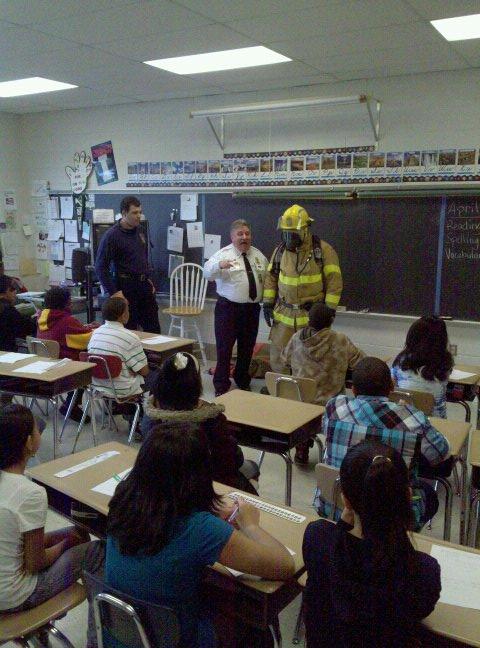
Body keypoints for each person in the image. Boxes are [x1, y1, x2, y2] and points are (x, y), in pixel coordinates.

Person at [105, 423, 295, 647]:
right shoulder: (200, 530)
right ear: (201, 475)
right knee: (256, 630)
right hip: (173, 639)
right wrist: (250, 525)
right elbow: (284, 565)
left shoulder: (124, 499)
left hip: (123, 633)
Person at [303, 440, 441, 648]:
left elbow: (339, 549)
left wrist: (342, 524)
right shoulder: (424, 571)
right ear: (406, 497)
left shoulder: (317, 537)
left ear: (345, 500)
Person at [0, 404, 104, 648]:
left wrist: (64, 538)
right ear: (28, 443)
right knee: (100, 551)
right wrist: (65, 543)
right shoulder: (30, 493)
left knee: (74, 534)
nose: (40, 433)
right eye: (38, 430)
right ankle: (97, 639)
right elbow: (34, 563)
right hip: (15, 597)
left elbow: (13, 538)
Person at [318, 356, 451, 530]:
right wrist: (405, 412)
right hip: (393, 516)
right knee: (429, 495)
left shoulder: (334, 407)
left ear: (353, 389)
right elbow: (440, 453)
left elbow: (326, 430)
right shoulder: (412, 418)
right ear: (391, 386)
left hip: (337, 504)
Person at [141, 351, 259, 493]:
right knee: (252, 467)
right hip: (206, 487)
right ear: (196, 384)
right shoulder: (212, 420)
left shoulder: (150, 417)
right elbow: (230, 460)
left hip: (165, 485)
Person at [263, 204, 343, 374]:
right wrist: (268, 303)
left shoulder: (323, 251)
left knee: (311, 360)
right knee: (279, 357)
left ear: (305, 230)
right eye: (285, 233)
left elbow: (334, 283)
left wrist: (327, 311)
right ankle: (279, 389)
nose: (288, 238)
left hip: (310, 317)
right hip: (283, 316)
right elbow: (271, 277)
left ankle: (306, 393)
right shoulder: (280, 251)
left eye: (293, 234)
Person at [204, 219, 268, 397]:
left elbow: (268, 279)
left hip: (252, 310)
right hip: (228, 309)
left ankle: (242, 379)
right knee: (224, 349)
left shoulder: (258, 255)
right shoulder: (223, 254)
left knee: (247, 348)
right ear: (232, 236)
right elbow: (206, 273)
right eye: (240, 234)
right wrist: (219, 266)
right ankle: (221, 384)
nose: (244, 237)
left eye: (247, 234)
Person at [94, 195, 160, 333]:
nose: (139, 216)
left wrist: (148, 278)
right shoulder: (111, 236)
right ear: (124, 213)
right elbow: (100, 267)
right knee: (130, 330)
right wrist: (114, 292)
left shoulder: (140, 230)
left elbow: (141, 257)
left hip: (144, 286)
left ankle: (151, 355)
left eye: (140, 212)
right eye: (134, 213)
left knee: (154, 330)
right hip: (125, 287)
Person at [282, 302, 365, 406]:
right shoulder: (340, 340)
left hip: (301, 403)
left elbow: (285, 360)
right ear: (331, 321)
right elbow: (362, 363)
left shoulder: (296, 338)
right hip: (332, 406)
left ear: (309, 321)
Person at [37, 286, 98, 421]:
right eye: (69, 301)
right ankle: (71, 405)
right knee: (86, 366)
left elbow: (72, 334)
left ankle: (72, 403)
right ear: (64, 303)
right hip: (65, 369)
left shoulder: (43, 317)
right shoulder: (66, 320)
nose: (71, 303)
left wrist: (85, 327)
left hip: (46, 365)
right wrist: (98, 330)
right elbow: (85, 340)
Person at [392, 315, 454, 418]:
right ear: (442, 339)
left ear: (412, 337)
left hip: (404, 419)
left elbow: (391, 386)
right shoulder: (445, 364)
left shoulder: (401, 361)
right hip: (436, 422)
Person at [87, 296, 149, 399]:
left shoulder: (95, 333)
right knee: (159, 377)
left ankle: (123, 410)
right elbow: (144, 371)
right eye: (128, 310)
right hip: (123, 389)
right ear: (123, 315)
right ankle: (140, 413)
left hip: (97, 386)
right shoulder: (130, 337)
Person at [0, 274, 36, 352]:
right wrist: (36, 318)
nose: (15, 291)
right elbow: (26, 329)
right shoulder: (8, 310)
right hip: (8, 354)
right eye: (12, 289)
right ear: (2, 294)